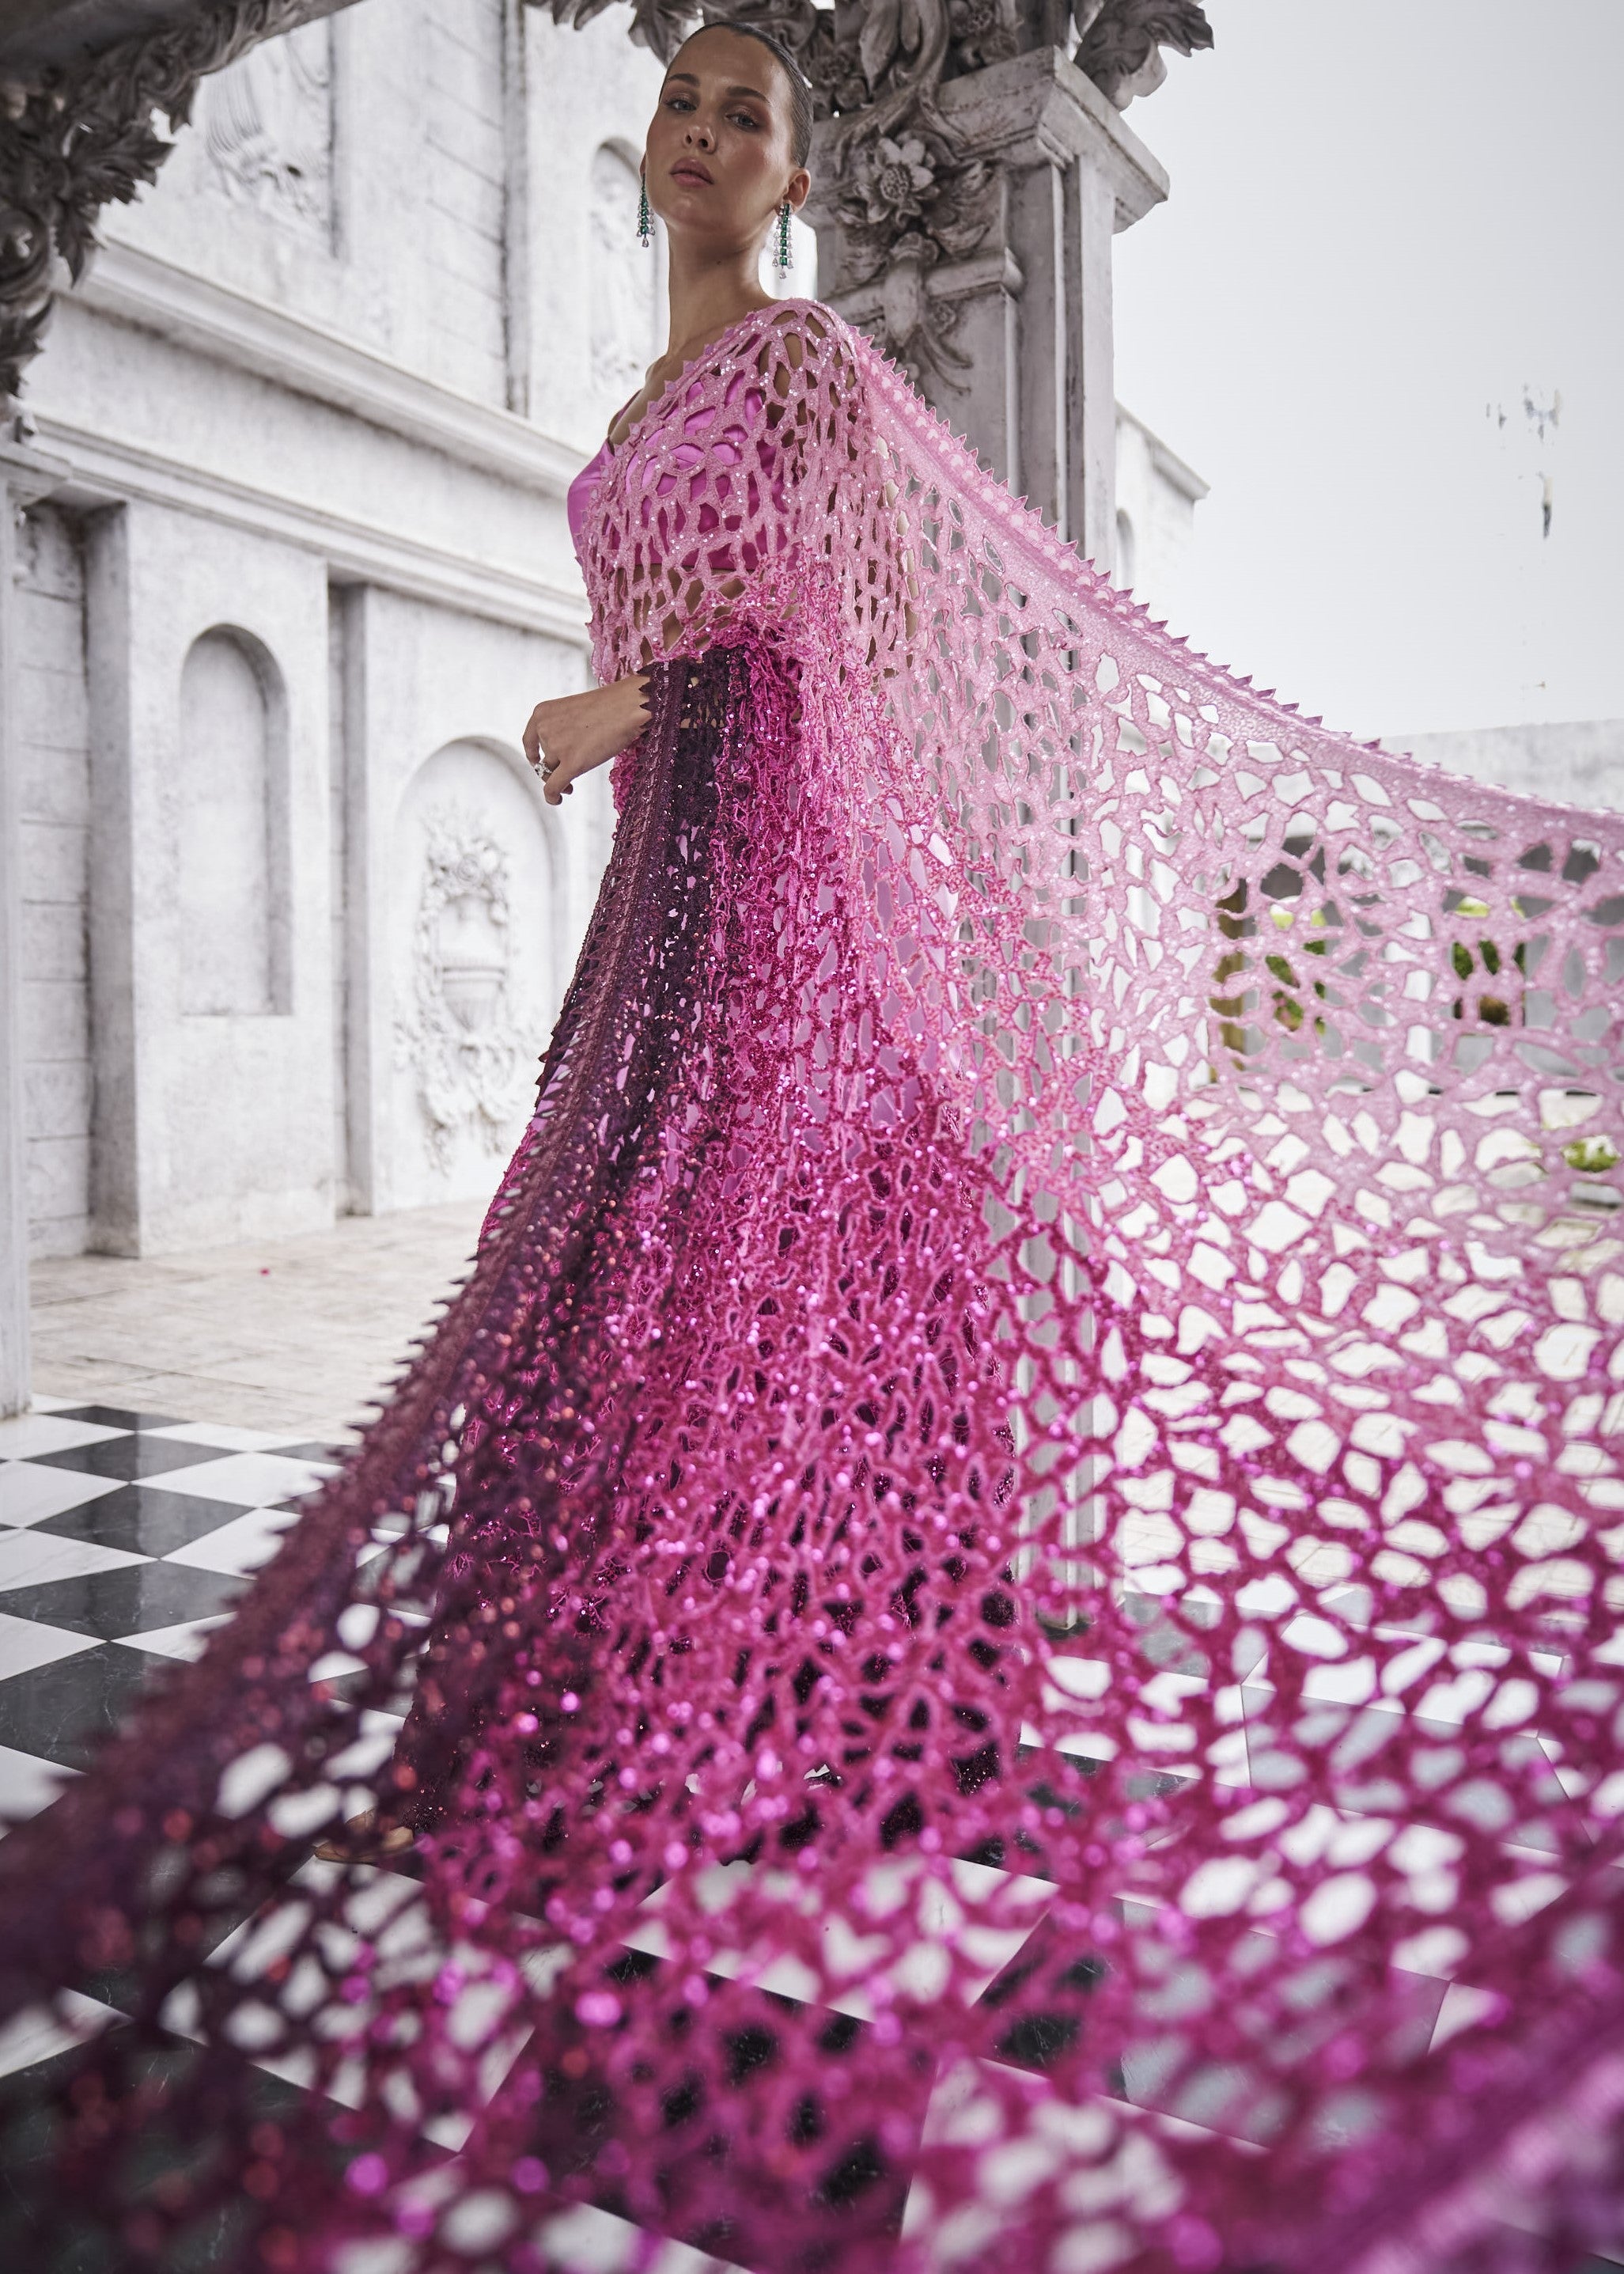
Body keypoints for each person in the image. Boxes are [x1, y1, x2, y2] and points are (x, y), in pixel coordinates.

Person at [6, 20, 1624, 2272]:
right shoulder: (628, 412)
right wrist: (632, 748)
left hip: (778, 890)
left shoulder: (798, 374)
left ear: (790, 176)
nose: (701, 129)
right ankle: (560, 1703)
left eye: (748, 111)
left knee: (686, 1291)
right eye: (680, 95)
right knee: (594, 1288)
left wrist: (620, 705)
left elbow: (823, 650)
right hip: (659, 885)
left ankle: (680, 1726)